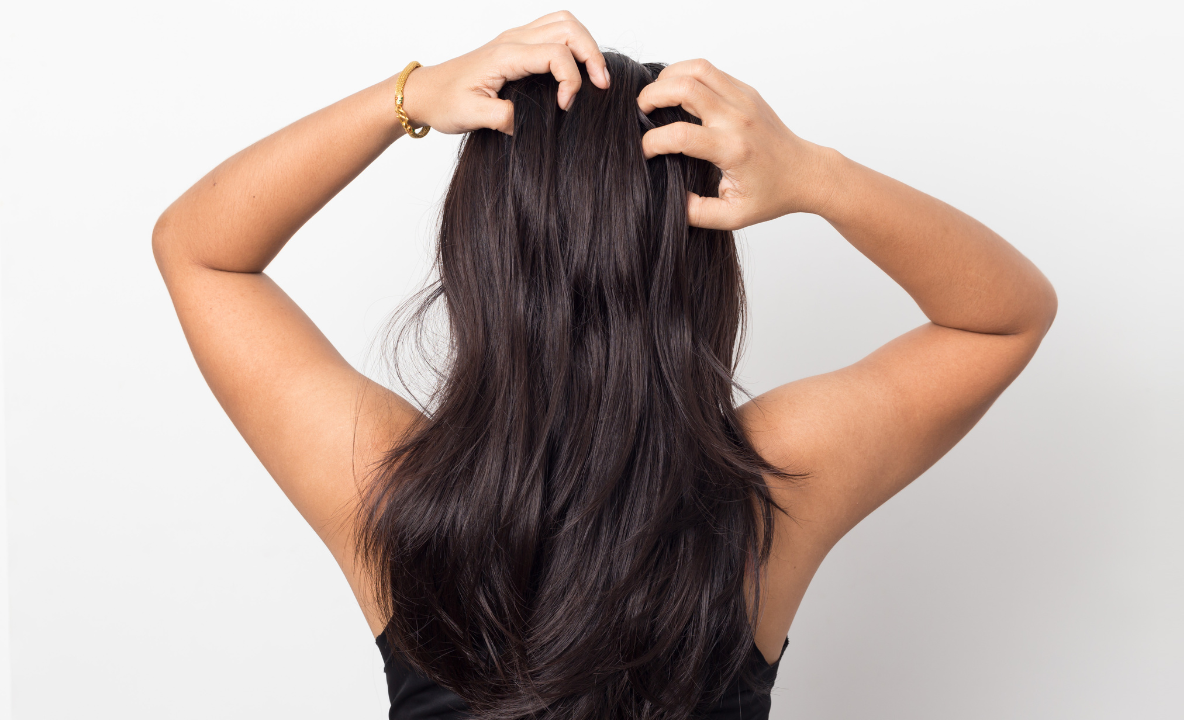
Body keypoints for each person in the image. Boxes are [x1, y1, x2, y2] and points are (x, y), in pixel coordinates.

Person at [152, 11, 1056, 720]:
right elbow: (1001, 319)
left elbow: (199, 249)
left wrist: (411, 96)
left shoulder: (386, 489)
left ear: (480, 251)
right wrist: (810, 173)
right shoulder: (768, 491)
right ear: (695, 262)